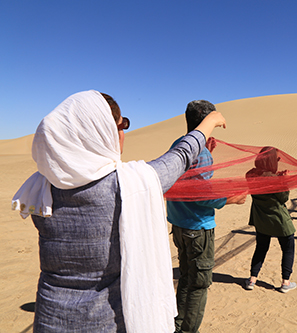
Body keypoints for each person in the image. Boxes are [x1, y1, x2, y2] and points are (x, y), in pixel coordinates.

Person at [11, 90, 228, 332]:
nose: (124, 133)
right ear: (103, 132)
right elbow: (181, 156)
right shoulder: (125, 186)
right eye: (121, 124)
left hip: (49, 321)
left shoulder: (39, 187)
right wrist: (209, 123)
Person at [166, 100, 246, 333]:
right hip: (198, 229)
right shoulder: (199, 152)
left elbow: (186, 180)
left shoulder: (179, 144)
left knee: (187, 278)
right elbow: (200, 194)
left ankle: (178, 324)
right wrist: (232, 199)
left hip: (179, 227)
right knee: (199, 285)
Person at [244, 147, 297, 293]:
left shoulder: (250, 174)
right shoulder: (275, 179)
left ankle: (252, 279)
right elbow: (283, 198)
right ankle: (285, 282)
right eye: (276, 159)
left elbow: (263, 179)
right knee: (288, 248)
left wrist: (278, 177)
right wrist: (283, 181)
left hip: (261, 219)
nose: (278, 161)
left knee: (261, 248)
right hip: (278, 219)